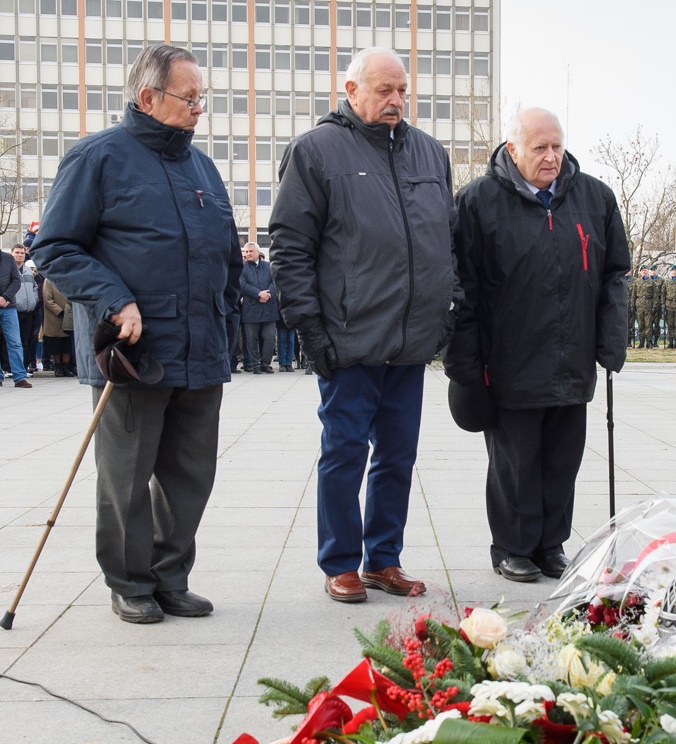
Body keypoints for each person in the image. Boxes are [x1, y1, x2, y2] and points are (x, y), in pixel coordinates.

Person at [31, 44, 243, 623]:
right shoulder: (97, 157)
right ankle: (129, 582)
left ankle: (170, 576)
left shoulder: (203, 167)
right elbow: (55, 247)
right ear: (148, 97)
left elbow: (227, 253)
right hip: (134, 352)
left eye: (202, 97)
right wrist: (114, 299)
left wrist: (226, 312)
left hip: (202, 349)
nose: (199, 108)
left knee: (190, 475)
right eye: (189, 97)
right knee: (125, 477)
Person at [269, 47, 461, 603]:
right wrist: (309, 329)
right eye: (384, 90)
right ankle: (340, 562)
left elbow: (449, 241)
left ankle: (384, 559)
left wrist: (449, 307)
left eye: (402, 90)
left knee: (398, 456)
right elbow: (290, 246)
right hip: (348, 339)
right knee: (345, 453)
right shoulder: (316, 150)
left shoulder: (430, 153)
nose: (396, 100)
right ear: (351, 91)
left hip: (411, 340)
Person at [445, 107, 630, 583]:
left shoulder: (595, 198)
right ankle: (513, 547)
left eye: (557, 146)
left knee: (562, 461)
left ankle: (551, 545)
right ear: (513, 150)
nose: (551, 157)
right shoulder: (478, 202)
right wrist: (465, 365)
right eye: (540, 148)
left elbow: (614, 275)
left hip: (572, 359)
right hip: (510, 362)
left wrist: (611, 341)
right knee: (516, 464)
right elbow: (463, 288)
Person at [239, 241, 278, 374]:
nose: (248, 254)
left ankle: (265, 364)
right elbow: (242, 285)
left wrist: (268, 294)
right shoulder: (242, 268)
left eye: (251, 251)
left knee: (269, 337)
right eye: (246, 251)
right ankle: (255, 364)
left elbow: (275, 282)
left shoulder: (269, 266)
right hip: (251, 308)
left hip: (268, 307)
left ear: (257, 252)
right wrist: (258, 294)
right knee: (251, 338)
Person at [0, 250, 32, 388]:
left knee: (15, 343)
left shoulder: (8, 259)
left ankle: (19, 377)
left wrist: (5, 297)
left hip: (9, 307)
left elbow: (16, 281)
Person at [10, 244, 38, 375]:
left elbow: (34, 288)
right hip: (13, 310)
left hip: (28, 311)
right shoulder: (8, 269)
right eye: (17, 252)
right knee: (12, 341)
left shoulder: (28, 270)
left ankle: (23, 367)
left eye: (22, 253)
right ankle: (9, 368)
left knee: (26, 340)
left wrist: (34, 300)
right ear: (12, 254)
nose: (20, 255)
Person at [41, 278, 75, 377]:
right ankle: (58, 366)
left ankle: (66, 366)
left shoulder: (68, 278)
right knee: (56, 344)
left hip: (68, 316)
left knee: (67, 344)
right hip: (54, 317)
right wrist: (59, 311)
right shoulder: (49, 281)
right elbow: (47, 299)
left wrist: (68, 312)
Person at [633, 266, 655, 348]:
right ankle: (641, 342)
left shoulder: (651, 282)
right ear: (640, 272)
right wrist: (632, 305)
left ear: (647, 271)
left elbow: (655, 295)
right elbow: (633, 295)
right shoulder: (637, 281)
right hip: (639, 305)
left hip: (648, 304)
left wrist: (654, 305)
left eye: (645, 270)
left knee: (648, 324)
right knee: (640, 324)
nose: (644, 272)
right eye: (642, 270)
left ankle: (649, 342)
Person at [650, 264, 665, 348]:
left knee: (656, 324)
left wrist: (662, 305)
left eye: (654, 270)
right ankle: (649, 341)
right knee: (648, 324)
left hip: (658, 305)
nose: (653, 272)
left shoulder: (661, 280)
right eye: (652, 270)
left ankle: (655, 341)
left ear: (656, 271)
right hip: (648, 305)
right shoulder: (647, 280)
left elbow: (663, 293)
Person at [665, 265, 676, 349]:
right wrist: (663, 305)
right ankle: (670, 341)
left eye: (675, 271)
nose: (674, 272)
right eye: (673, 271)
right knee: (670, 324)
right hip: (669, 305)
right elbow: (663, 293)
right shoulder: (667, 282)